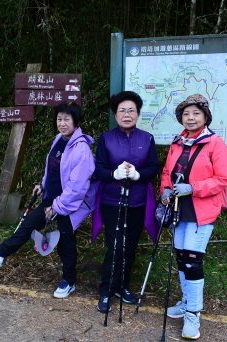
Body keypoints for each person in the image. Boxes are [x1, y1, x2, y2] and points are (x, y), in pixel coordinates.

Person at [0, 102, 97, 298]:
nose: (62, 123)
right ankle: (0, 254)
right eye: (59, 119)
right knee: (28, 225)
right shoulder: (59, 139)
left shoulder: (81, 149)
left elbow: (77, 187)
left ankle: (69, 281)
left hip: (68, 206)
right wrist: (42, 185)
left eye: (67, 119)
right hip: (50, 199)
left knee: (65, 243)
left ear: (76, 121)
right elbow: (51, 168)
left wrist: (57, 207)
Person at [160, 94, 227, 340]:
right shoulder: (178, 141)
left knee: (192, 259)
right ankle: (186, 302)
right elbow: (168, 171)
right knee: (181, 256)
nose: (190, 118)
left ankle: (193, 315)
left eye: (196, 114)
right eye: (186, 114)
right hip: (179, 208)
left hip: (201, 209)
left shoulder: (215, 143)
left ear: (205, 117)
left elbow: (223, 180)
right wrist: (165, 190)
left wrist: (194, 187)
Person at [93, 91, 159, 313]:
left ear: (138, 114)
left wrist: (139, 175)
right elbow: (99, 169)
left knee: (130, 247)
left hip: (138, 202)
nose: (127, 114)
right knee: (114, 246)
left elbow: (153, 168)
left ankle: (123, 286)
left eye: (131, 110)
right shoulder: (106, 138)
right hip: (111, 201)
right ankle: (106, 290)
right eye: (122, 110)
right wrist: (115, 174)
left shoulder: (147, 138)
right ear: (115, 114)